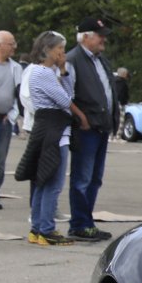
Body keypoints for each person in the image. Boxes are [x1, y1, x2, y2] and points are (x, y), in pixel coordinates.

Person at [14, 31, 82, 245]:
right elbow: (65, 100)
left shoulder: (44, 72)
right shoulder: (42, 72)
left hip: (48, 130)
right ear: (47, 50)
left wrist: (62, 71)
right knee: (53, 182)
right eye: (59, 48)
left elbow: (67, 95)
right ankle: (46, 229)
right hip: (54, 132)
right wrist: (81, 116)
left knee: (42, 181)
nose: (63, 53)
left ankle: (37, 228)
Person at [66, 16, 121, 242]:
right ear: (85, 37)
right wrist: (82, 119)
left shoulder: (101, 60)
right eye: (100, 36)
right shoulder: (72, 60)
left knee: (95, 179)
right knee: (82, 179)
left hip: (101, 127)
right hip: (86, 129)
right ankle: (79, 224)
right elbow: (66, 95)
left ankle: (86, 222)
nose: (103, 40)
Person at [0, 29, 24, 210]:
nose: (14, 47)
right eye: (11, 44)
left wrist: (11, 115)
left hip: (2, 120)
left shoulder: (16, 68)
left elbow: (19, 95)